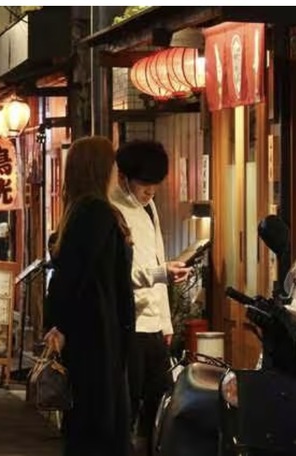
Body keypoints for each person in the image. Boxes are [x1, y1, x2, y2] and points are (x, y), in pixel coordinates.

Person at [44, 136, 136, 456]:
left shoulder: (79, 212)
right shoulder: (96, 213)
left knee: (86, 422)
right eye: (112, 165)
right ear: (100, 169)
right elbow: (78, 277)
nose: (116, 172)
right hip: (98, 335)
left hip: (90, 335)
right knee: (100, 424)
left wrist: (57, 323)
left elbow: (66, 276)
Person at [111, 140, 191, 455]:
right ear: (123, 177)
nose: (150, 194)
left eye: (155, 188)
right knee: (128, 402)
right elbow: (117, 275)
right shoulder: (113, 209)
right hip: (129, 325)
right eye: (145, 187)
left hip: (153, 326)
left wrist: (166, 321)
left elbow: (156, 259)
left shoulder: (149, 206)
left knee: (160, 399)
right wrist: (161, 273)